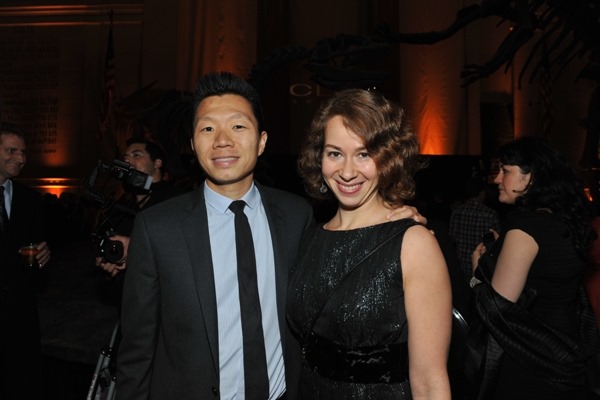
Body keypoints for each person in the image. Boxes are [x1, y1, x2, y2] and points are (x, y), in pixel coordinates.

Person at [287, 88, 453, 399]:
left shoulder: (413, 244)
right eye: (335, 153)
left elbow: (431, 382)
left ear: (388, 158)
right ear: (319, 157)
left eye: (364, 154)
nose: (347, 172)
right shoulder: (309, 236)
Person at [469, 136, 600, 400]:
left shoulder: (525, 229)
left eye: (505, 170)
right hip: (566, 351)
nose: (496, 179)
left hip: (530, 362)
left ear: (530, 178)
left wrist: (477, 273)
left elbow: (498, 308)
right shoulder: (565, 220)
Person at [0, 121, 51, 400]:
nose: (20, 158)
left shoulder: (30, 199)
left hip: (21, 317)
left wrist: (44, 256)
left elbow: (37, 251)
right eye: (11, 150)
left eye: (22, 152)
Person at [95, 138, 186, 280]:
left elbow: (184, 246)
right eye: (125, 157)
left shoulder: (179, 200)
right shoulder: (120, 207)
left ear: (157, 163)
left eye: (136, 155)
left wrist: (136, 247)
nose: (127, 160)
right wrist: (108, 258)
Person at [449, 173, 501, 282]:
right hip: (480, 267)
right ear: (481, 192)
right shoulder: (490, 214)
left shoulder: (456, 212)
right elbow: (497, 244)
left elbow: (452, 238)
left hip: (460, 266)